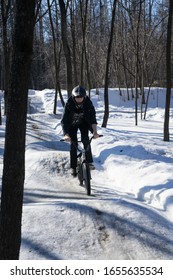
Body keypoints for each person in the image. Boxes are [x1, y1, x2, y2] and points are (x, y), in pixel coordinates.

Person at [61, 85, 99, 176]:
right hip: (72, 125)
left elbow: (93, 119)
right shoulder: (69, 104)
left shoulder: (88, 104)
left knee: (86, 140)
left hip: (84, 123)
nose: (79, 99)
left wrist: (95, 132)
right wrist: (66, 134)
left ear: (84, 97)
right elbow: (64, 120)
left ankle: (89, 162)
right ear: (74, 97)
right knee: (73, 144)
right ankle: (73, 167)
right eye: (77, 97)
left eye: (81, 97)